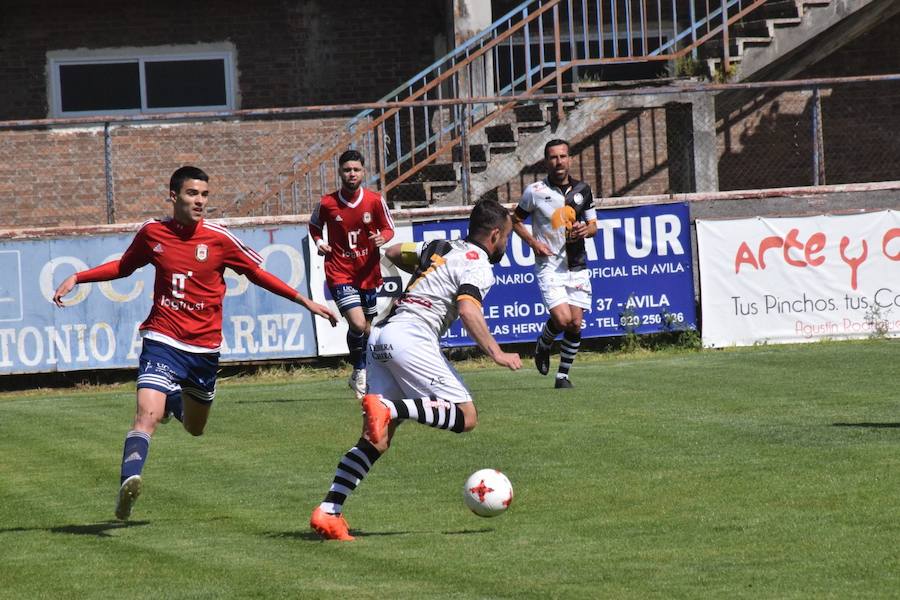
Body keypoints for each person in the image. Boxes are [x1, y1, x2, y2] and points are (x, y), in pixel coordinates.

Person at [52, 166, 338, 521]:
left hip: (204, 350)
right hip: (162, 339)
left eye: (204, 195)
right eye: (192, 194)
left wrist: (305, 300)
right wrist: (78, 276)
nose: (200, 201)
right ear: (173, 196)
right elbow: (124, 267)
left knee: (195, 427)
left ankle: (175, 399)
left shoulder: (220, 239)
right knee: (145, 417)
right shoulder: (152, 233)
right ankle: (129, 483)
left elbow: (256, 273)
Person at [309, 199, 521, 541]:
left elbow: (393, 252)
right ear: (495, 235)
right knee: (466, 416)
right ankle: (390, 407)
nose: (506, 245)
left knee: (377, 439)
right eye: (507, 237)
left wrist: (429, 277)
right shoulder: (479, 264)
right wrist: (496, 353)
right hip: (411, 337)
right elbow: (467, 309)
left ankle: (329, 511)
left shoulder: (439, 246)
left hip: (381, 337)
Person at [309, 149, 395, 399]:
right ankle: (359, 370)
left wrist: (383, 237)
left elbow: (388, 227)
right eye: (347, 170)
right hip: (339, 271)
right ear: (340, 173)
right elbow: (314, 225)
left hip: (368, 271)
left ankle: (366, 369)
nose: (352, 174)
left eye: (356, 169)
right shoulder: (327, 203)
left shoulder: (375, 200)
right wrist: (319, 242)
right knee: (357, 323)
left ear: (363, 172)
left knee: (367, 327)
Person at [512, 139, 597, 389]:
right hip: (549, 264)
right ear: (546, 161)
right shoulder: (535, 191)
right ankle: (543, 344)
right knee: (561, 319)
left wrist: (585, 230)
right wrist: (533, 243)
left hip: (577, 263)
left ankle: (562, 377)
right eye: (553, 157)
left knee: (575, 322)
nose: (558, 161)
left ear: (570, 159)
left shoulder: (583, 190)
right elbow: (515, 220)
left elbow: (594, 225)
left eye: (562, 156)